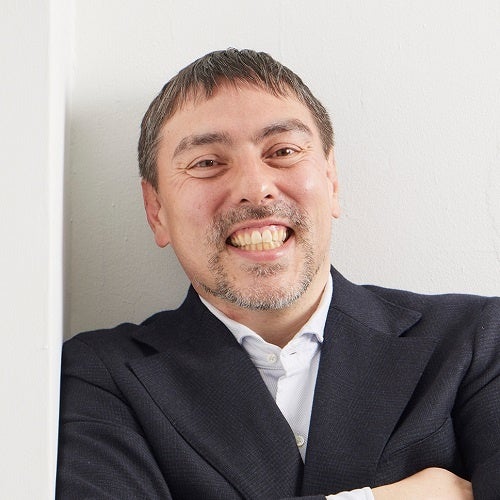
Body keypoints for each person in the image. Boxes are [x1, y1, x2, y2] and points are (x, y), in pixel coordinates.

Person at [56, 48, 499, 499]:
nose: (255, 188)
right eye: (207, 162)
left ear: (331, 180)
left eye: (283, 151)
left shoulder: (477, 340)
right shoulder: (101, 376)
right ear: (156, 211)